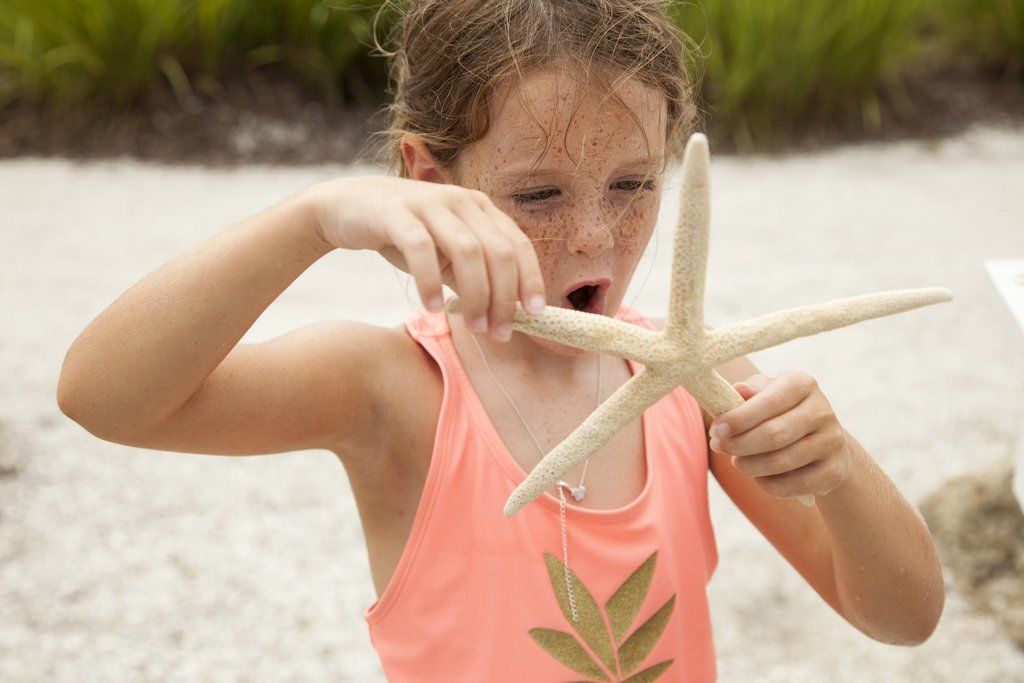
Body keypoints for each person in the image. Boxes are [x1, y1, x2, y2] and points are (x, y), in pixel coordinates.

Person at [56, 1, 944, 681]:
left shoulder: (697, 381)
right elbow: (104, 396)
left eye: (633, 182)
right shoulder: (392, 390)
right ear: (427, 181)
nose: (596, 236)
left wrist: (838, 472)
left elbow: (904, 615)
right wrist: (313, 219)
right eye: (540, 196)